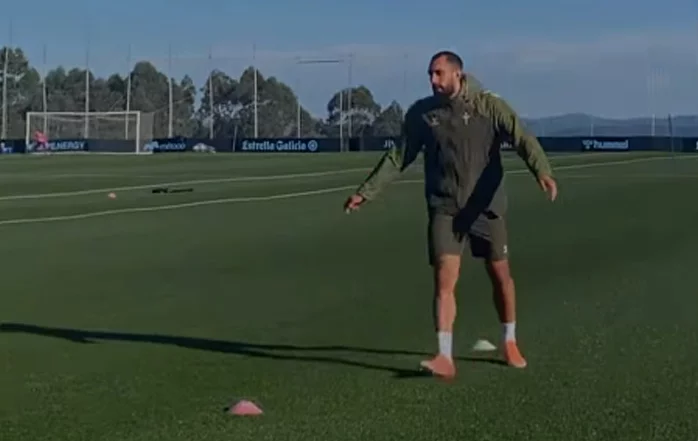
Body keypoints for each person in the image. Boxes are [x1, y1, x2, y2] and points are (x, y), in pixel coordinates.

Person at [343, 50, 558, 378]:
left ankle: (509, 340)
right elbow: (399, 156)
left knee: (500, 276)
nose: (433, 80)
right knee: (444, 278)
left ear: (458, 74)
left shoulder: (489, 105)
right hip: (445, 207)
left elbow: (522, 137)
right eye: (430, 74)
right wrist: (366, 191)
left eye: (439, 73)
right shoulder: (423, 113)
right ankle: (444, 356)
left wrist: (542, 171)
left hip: (485, 207)